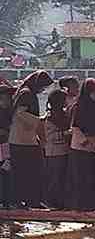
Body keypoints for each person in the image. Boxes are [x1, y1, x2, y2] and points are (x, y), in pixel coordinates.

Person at [10, 71, 53, 208]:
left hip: (22, 139)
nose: (43, 90)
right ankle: (27, 200)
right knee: (29, 171)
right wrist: (38, 121)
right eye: (43, 86)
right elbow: (20, 113)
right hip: (22, 140)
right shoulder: (27, 94)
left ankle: (28, 200)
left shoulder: (24, 92)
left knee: (26, 171)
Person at [67, 78, 95, 211]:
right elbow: (74, 127)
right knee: (81, 178)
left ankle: (94, 206)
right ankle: (80, 207)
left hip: (93, 147)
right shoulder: (78, 107)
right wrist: (84, 141)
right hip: (80, 148)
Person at [0, 81, 14, 209]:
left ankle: (6, 201)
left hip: (7, 147)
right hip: (3, 146)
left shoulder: (9, 112)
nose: (8, 100)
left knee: (6, 174)